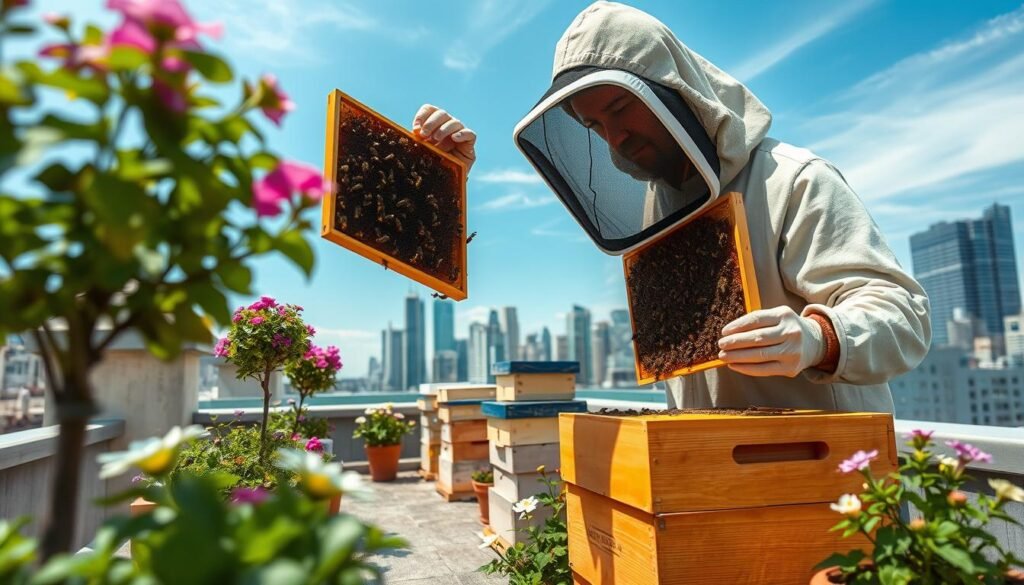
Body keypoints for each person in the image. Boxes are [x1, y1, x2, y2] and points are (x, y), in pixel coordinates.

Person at [413, 1, 931, 413]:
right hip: (709, 485)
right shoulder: (655, 214)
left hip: (832, 496)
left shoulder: (793, 179)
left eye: (620, 108)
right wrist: (443, 178)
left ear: (675, 91)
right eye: (595, 126)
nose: (615, 138)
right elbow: (518, 261)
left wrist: (817, 337)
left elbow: (902, 316)